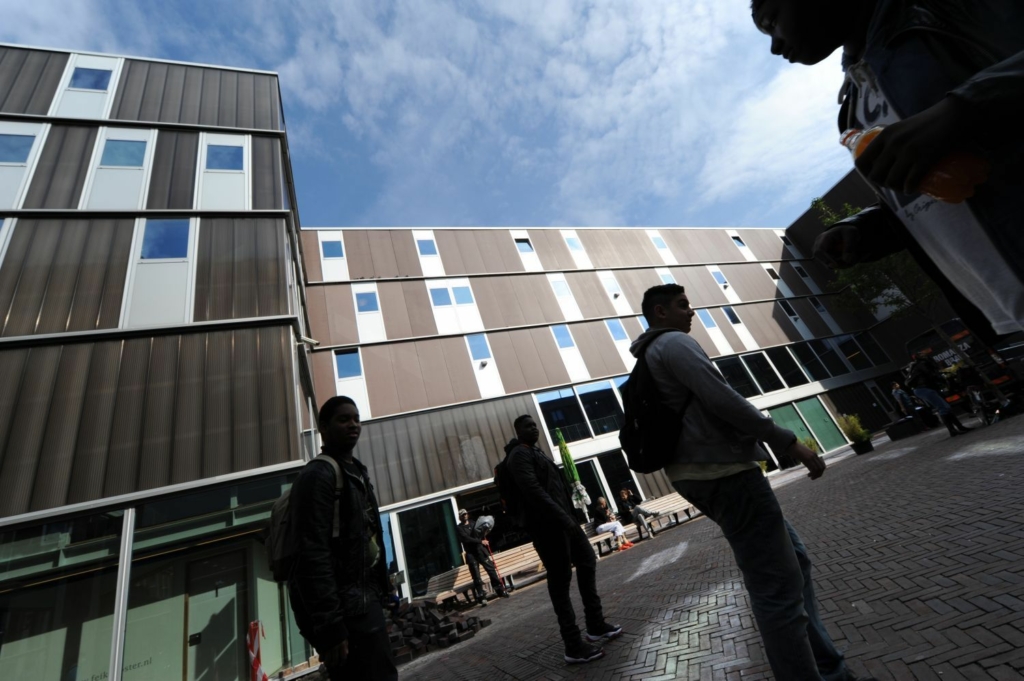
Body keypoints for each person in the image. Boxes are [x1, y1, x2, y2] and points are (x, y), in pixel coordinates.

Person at [631, 284, 874, 681]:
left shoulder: (649, 355)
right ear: (660, 312)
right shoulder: (674, 343)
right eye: (682, 305)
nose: (691, 311)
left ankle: (831, 671)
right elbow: (723, 398)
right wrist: (787, 441)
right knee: (776, 588)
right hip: (725, 472)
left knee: (794, 561)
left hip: (699, 473)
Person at [751, 0, 1024, 344]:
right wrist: (867, 230)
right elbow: (934, 196)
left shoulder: (937, 12)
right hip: (1005, 317)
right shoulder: (851, 109)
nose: (774, 46)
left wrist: (962, 111)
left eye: (771, 21)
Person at [288, 396, 398, 681]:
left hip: (364, 601)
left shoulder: (357, 471)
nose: (353, 425)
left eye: (356, 419)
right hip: (345, 613)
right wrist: (331, 625)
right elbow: (311, 554)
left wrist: (383, 588)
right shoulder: (318, 475)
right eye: (344, 419)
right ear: (323, 427)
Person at [505, 415, 622, 664]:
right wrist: (563, 518)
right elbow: (534, 492)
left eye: (535, 425)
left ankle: (595, 624)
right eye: (528, 426)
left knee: (587, 560)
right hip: (548, 528)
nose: (534, 428)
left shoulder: (538, 453)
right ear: (517, 431)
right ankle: (572, 644)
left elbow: (556, 489)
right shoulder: (519, 456)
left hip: (566, 522)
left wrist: (571, 517)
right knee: (560, 581)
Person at [906, 357, 973, 436]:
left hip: (924, 389)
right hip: (924, 389)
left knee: (947, 407)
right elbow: (931, 376)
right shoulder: (923, 365)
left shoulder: (918, 366)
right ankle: (952, 430)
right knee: (943, 408)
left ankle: (959, 427)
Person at [456, 508, 509, 604]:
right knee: (476, 576)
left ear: (467, 514)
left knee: (491, 570)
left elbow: (481, 532)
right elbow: (466, 539)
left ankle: (500, 591)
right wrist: (480, 541)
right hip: (471, 553)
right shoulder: (459, 528)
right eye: (462, 515)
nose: (464, 516)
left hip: (480, 551)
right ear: (459, 517)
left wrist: (485, 530)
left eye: (465, 514)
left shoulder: (474, 523)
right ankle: (481, 597)